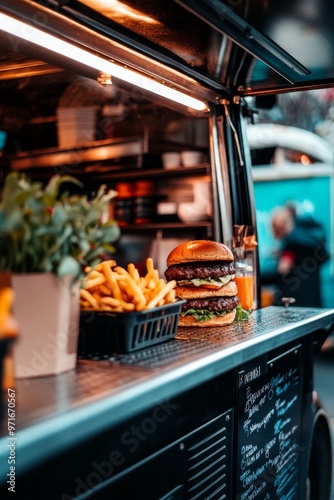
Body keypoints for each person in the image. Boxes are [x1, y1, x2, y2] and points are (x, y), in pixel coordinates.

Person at [271, 204, 330, 307]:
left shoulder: (291, 241)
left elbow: (282, 268)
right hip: (312, 296)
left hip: (297, 299)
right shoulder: (307, 234)